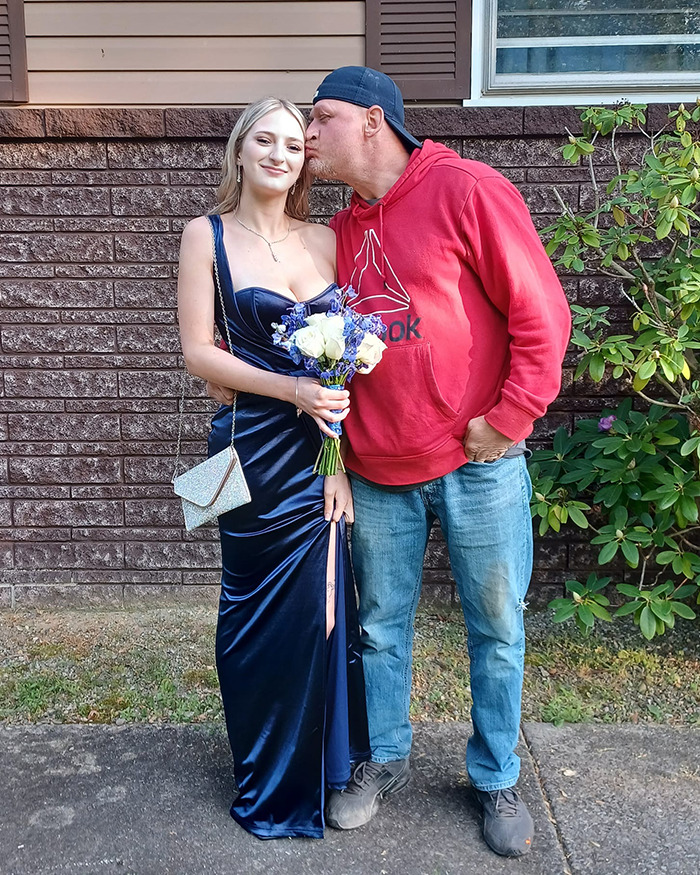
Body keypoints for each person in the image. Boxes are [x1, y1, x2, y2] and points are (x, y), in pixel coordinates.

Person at [303, 67, 572, 857]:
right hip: (382, 470)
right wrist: (338, 458)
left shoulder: (465, 189)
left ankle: (495, 775)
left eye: (322, 118)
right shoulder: (341, 230)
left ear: (374, 122)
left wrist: (509, 418)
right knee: (382, 628)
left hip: (479, 463)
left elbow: (541, 314)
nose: (309, 134)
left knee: (497, 626)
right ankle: (381, 759)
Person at [177, 96, 369, 840]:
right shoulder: (206, 236)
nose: (280, 153)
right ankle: (263, 768)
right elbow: (199, 353)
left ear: (302, 162)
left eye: (294, 143)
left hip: (320, 457)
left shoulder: (326, 238)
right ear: (240, 150)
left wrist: (340, 463)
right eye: (266, 139)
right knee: (249, 611)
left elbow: (345, 363)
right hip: (250, 449)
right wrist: (290, 388)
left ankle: (327, 767)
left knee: (325, 611)